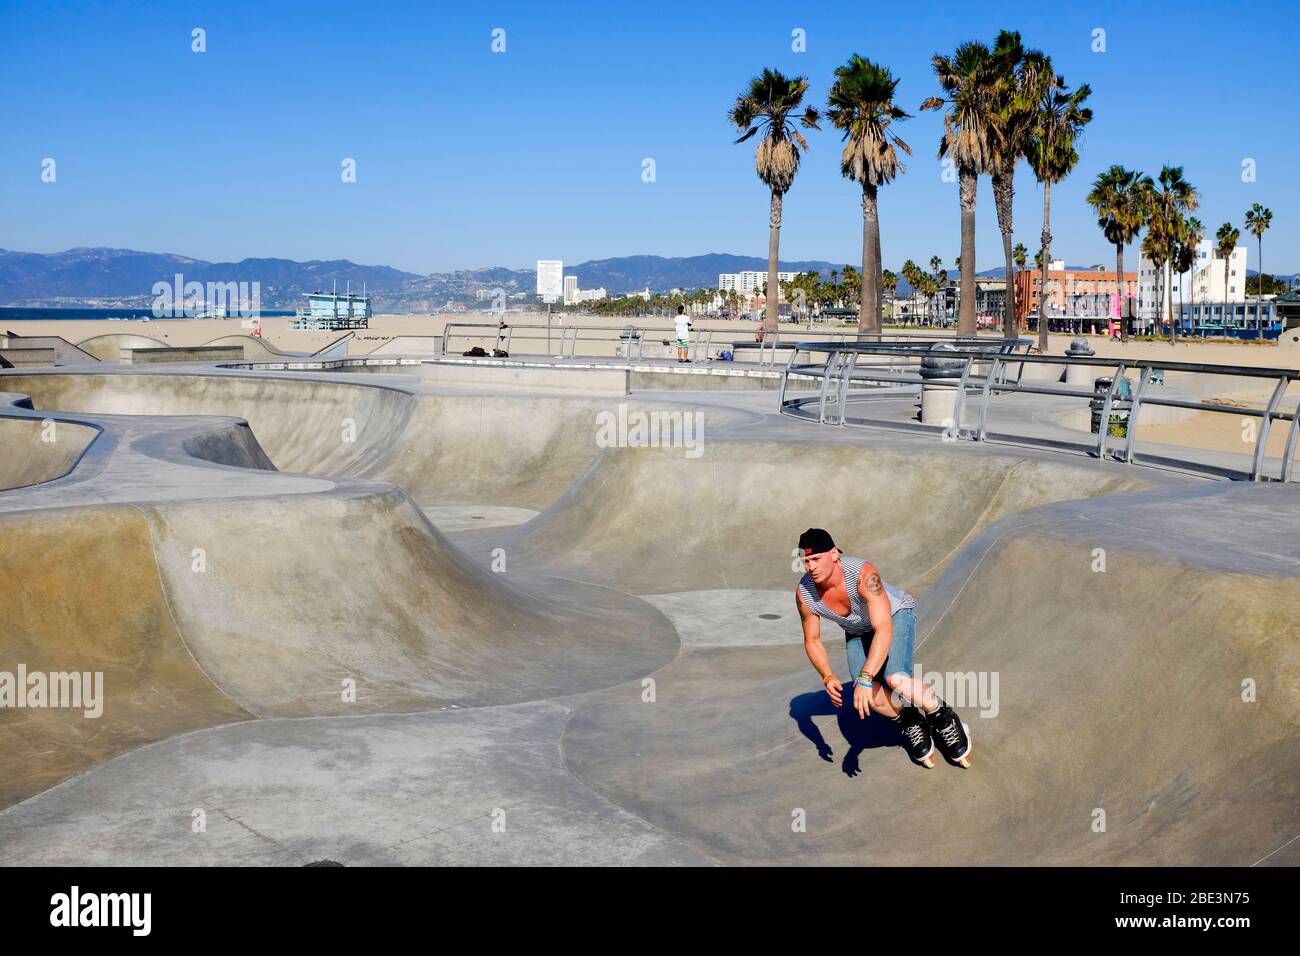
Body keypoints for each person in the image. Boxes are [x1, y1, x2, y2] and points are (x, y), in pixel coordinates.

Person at [794, 527, 972, 769]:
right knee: (866, 695)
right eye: (805, 561)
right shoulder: (805, 594)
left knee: (896, 678)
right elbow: (812, 640)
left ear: (834, 554)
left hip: (894, 616)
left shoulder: (865, 575)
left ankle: (942, 717)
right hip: (857, 631)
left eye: (816, 559)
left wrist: (867, 675)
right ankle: (910, 721)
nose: (810, 567)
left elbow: (884, 630)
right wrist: (827, 675)